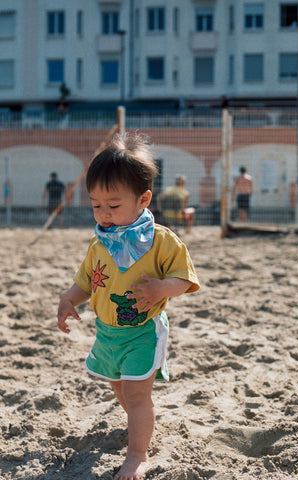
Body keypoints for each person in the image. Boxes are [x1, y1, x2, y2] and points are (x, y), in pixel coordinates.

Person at [57, 133, 200, 480]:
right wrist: (68, 299)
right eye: (96, 205)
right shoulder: (100, 242)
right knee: (120, 386)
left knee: (136, 393)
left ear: (143, 199)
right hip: (107, 332)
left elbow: (186, 279)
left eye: (113, 205)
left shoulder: (162, 240)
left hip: (142, 331)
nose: (103, 214)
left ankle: (137, 455)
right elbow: (86, 281)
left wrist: (160, 288)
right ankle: (141, 417)